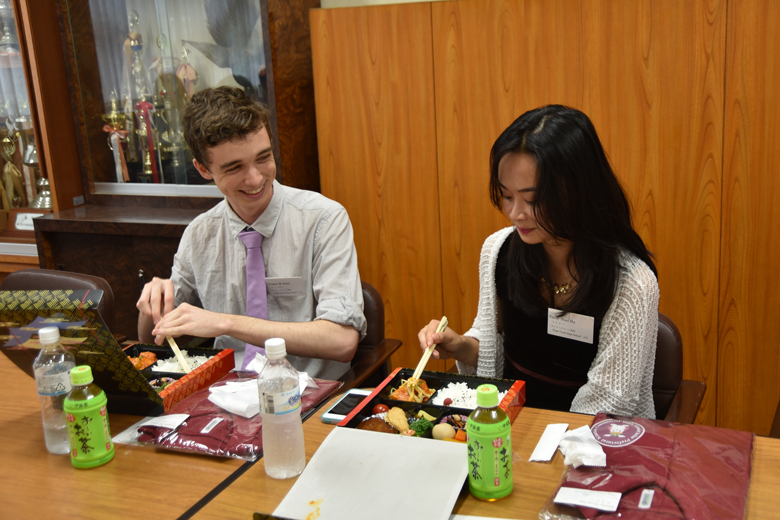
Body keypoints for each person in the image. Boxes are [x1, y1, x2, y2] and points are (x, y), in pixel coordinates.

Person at [418, 105, 660, 417]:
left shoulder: (632, 284)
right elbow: (497, 354)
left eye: (532, 200)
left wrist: (533, 435)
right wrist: (462, 346)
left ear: (579, 191)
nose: (515, 213)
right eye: (507, 196)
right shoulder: (498, 250)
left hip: (587, 435)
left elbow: (609, 402)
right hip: (510, 424)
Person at [137, 86, 366, 380]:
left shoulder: (323, 219)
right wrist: (151, 306)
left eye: (263, 158)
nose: (256, 179)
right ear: (203, 169)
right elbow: (151, 340)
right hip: (225, 393)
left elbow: (342, 341)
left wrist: (226, 323)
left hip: (310, 392)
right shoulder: (199, 235)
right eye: (235, 168)